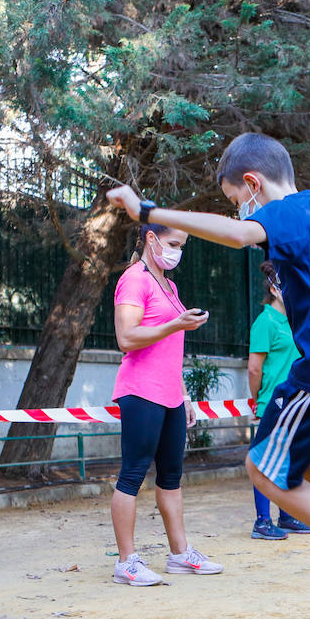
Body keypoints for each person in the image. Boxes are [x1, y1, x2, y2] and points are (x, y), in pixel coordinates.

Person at [106, 133, 310, 619]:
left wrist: (148, 212)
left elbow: (237, 236)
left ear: (253, 183)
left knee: (262, 467)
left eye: (237, 201)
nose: (240, 213)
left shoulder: (285, 212)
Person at [107, 223, 225, 584]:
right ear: (151, 239)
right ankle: (126, 562)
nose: (178, 251)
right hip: (140, 390)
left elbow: (170, 349)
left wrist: (185, 394)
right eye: (173, 243)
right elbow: (126, 338)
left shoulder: (169, 285)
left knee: (171, 477)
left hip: (170, 395)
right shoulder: (133, 279)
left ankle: (180, 554)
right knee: (132, 474)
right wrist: (176, 323)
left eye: (182, 245)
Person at [248, 262, 310, 538]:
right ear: (274, 289)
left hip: (296, 400)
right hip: (273, 402)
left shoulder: (294, 321)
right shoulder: (265, 321)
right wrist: (258, 400)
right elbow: (254, 368)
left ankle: (287, 516)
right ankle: (262, 521)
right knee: (264, 461)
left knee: (287, 460)